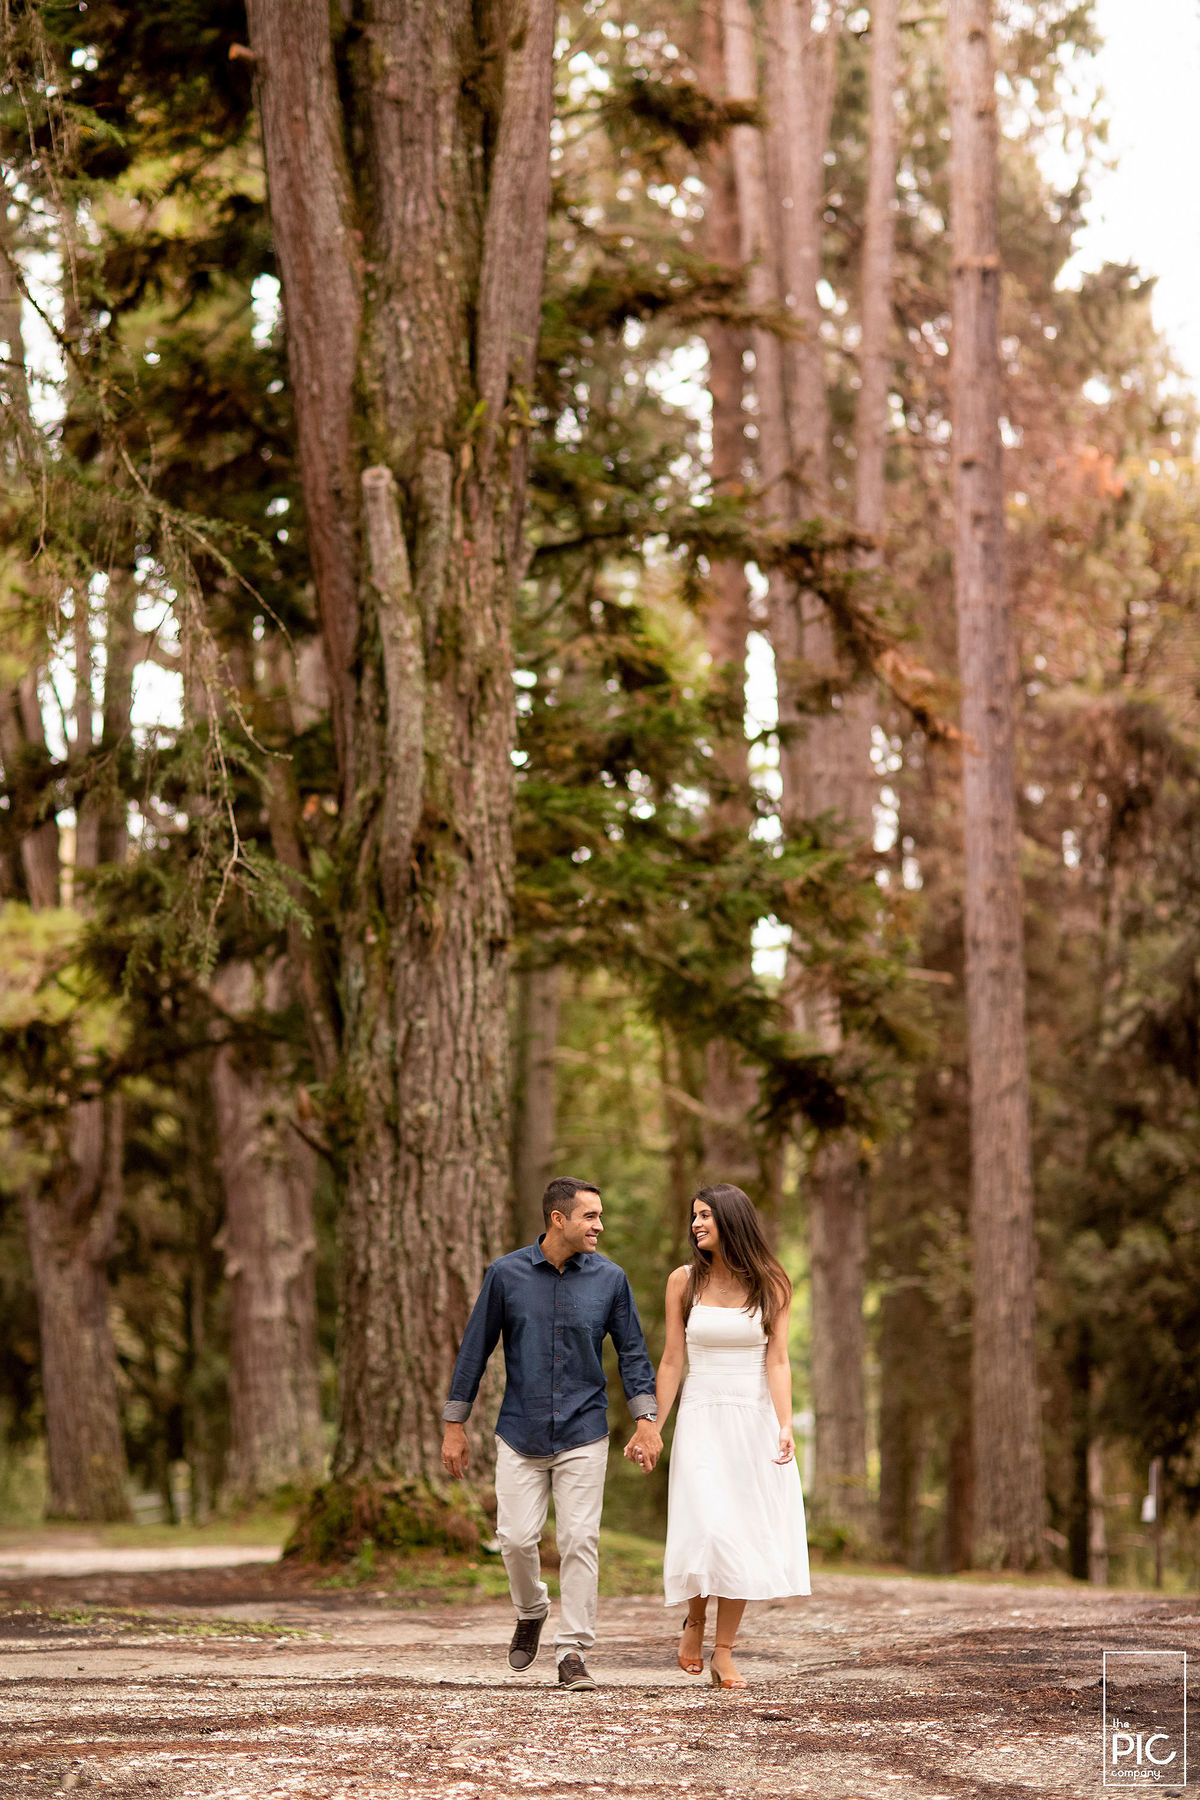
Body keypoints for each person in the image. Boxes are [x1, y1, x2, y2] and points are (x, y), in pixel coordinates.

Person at [441, 1176, 662, 1691]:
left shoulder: (611, 1280)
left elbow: (632, 1354)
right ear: (558, 1220)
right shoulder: (505, 1275)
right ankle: (532, 1608)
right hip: (520, 1430)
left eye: (600, 1216)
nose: (600, 1226)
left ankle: (573, 1651)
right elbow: (475, 1350)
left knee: (580, 1538)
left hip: (585, 1430)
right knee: (514, 1540)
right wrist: (455, 1425)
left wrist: (646, 1420)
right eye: (591, 1216)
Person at [635, 1182, 810, 1689]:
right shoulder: (684, 1282)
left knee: (742, 1534)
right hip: (702, 1416)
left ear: (732, 1219)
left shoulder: (773, 1283)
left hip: (752, 1419)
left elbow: (777, 1360)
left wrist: (784, 1424)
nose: (696, 1224)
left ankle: (725, 1650)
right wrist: (652, 1427)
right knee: (707, 1527)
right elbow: (672, 1359)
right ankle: (694, 1621)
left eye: (706, 1215)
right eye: (694, 1216)